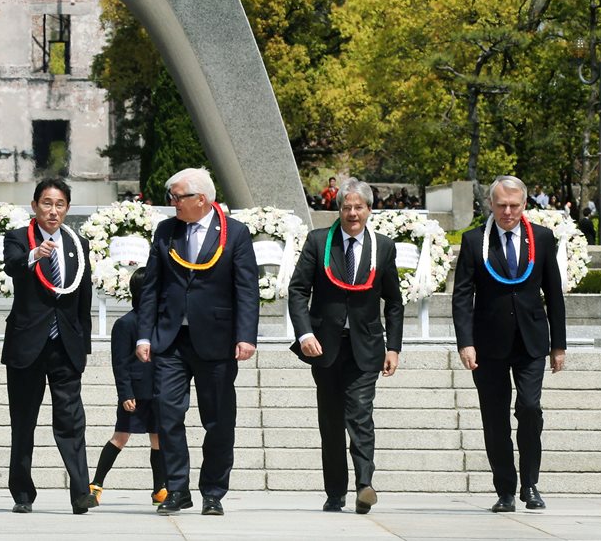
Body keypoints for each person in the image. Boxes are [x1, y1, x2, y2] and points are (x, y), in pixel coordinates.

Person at [137, 167, 259, 516]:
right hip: (171, 339)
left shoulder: (234, 234)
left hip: (217, 340)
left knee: (218, 420)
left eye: (177, 197)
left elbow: (246, 288)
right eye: (171, 197)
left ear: (201, 199)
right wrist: (144, 334)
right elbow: (151, 288)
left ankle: (213, 491)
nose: (172, 203)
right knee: (168, 412)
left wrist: (246, 336)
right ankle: (177, 488)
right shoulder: (166, 231)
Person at [287, 178, 404, 514]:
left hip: (365, 348)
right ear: (338, 209)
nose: (352, 213)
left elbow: (394, 302)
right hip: (324, 347)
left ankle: (365, 484)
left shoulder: (383, 247)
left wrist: (393, 347)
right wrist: (305, 333)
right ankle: (335, 491)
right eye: (346, 207)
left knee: (360, 414)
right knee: (331, 420)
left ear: (369, 210)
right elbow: (298, 291)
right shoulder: (319, 241)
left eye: (359, 207)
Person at [452, 175, 566, 513]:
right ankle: (505, 489)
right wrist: (465, 342)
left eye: (514, 205)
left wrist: (558, 345)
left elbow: (554, 295)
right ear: (491, 204)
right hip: (488, 345)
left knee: (530, 408)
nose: (507, 211)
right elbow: (462, 296)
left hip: (531, 341)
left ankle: (530, 484)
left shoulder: (542, 239)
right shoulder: (475, 241)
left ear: (524, 205)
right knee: (495, 417)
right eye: (501, 205)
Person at [1, 178, 97, 514]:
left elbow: (82, 298)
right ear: (35, 206)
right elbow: (12, 266)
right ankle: (23, 493)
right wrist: (34, 255)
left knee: (72, 420)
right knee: (23, 422)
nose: (53, 211)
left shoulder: (77, 244)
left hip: (64, 346)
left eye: (59, 204)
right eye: (46, 203)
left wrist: (82, 344)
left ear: (67, 208)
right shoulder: (18, 238)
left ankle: (81, 492)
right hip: (27, 345)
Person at [89, 267, 166, 505]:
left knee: (158, 439)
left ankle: (159, 489)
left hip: (159, 390)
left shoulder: (163, 323)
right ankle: (96, 485)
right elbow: (119, 363)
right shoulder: (126, 324)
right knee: (120, 437)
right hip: (135, 393)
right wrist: (125, 393)